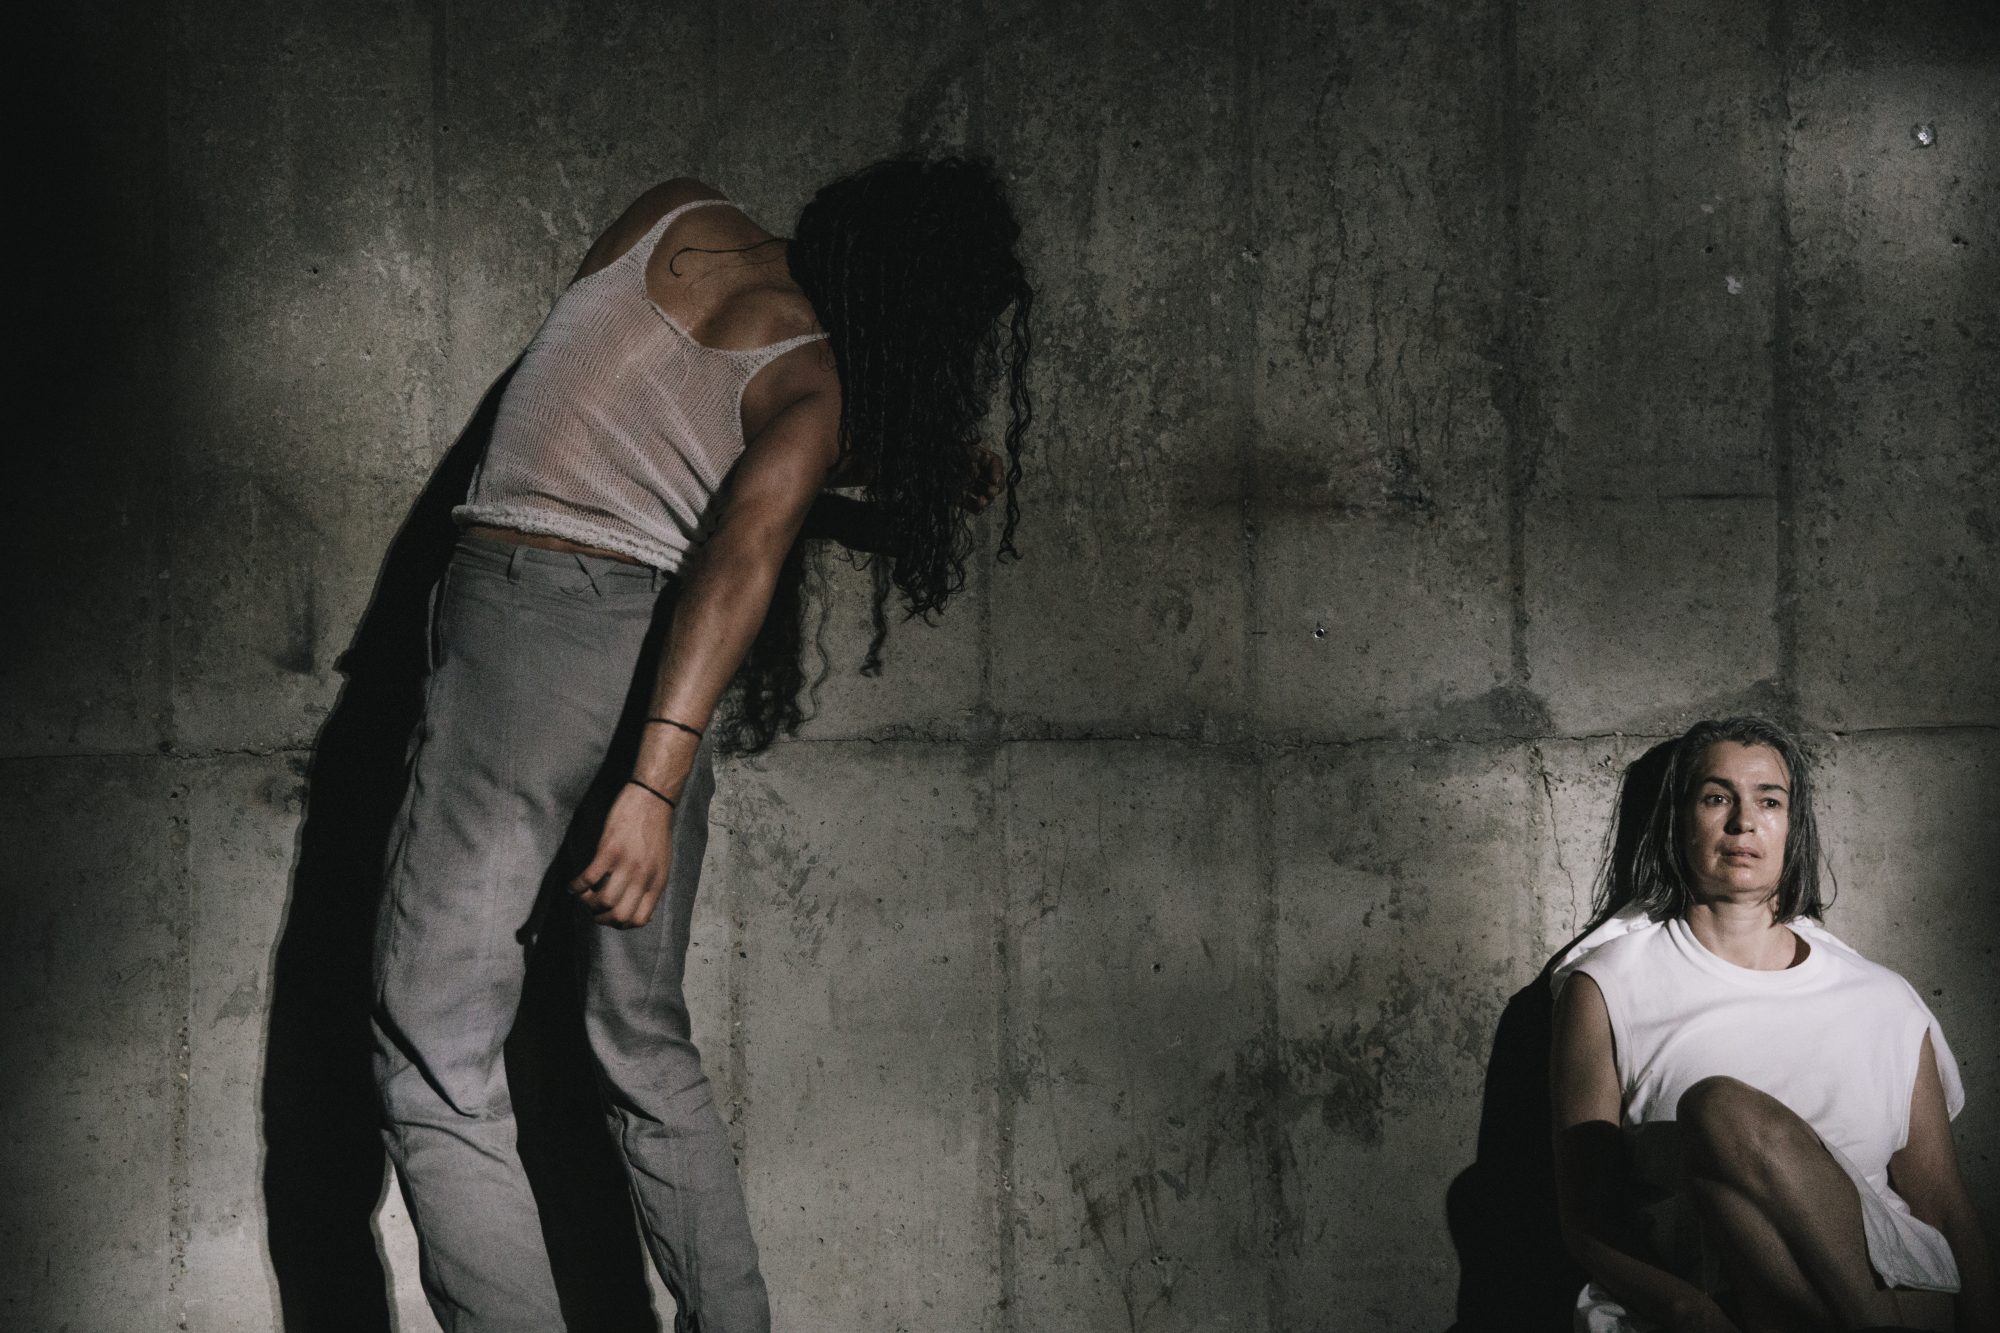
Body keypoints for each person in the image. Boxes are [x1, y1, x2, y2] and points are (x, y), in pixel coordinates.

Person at [370, 158, 1034, 1333]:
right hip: (660, 645)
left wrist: (648, 785)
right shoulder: (810, 395)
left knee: (437, 1041)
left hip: (531, 636)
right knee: (634, 1035)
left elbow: (642, 449)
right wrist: (646, 783)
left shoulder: (666, 213)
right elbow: (712, 510)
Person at [1548, 717, 1995, 1333]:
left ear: (1793, 826)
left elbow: (1944, 1206)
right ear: (1678, 819)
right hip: (1715, 1297)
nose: (1742, 821)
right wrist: (1690, 1310)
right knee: (1719, 1113)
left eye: (1769, 801)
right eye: (1715, 798)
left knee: (1719, 1109)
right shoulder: (1608, 986)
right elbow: (1587, 1217)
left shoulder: (1882, 999)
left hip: (1890, 1286)